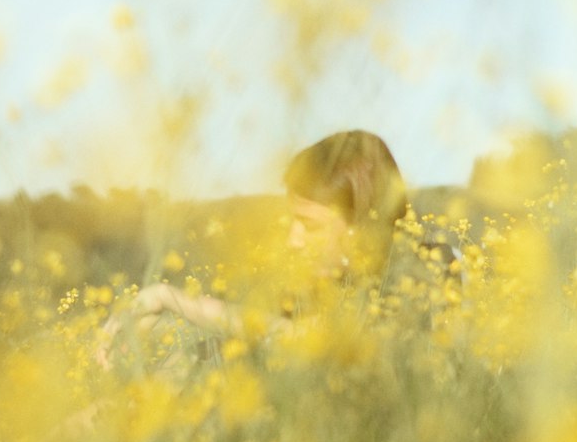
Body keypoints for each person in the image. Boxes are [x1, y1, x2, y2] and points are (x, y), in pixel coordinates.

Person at [94, 130, 407, 368]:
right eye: (292, 222)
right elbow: (238, 343)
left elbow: (304, 341)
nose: (293, 241)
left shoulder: (414, 278)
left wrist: (168, 298)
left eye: (311, 226)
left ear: (363, 228)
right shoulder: (315, 291)